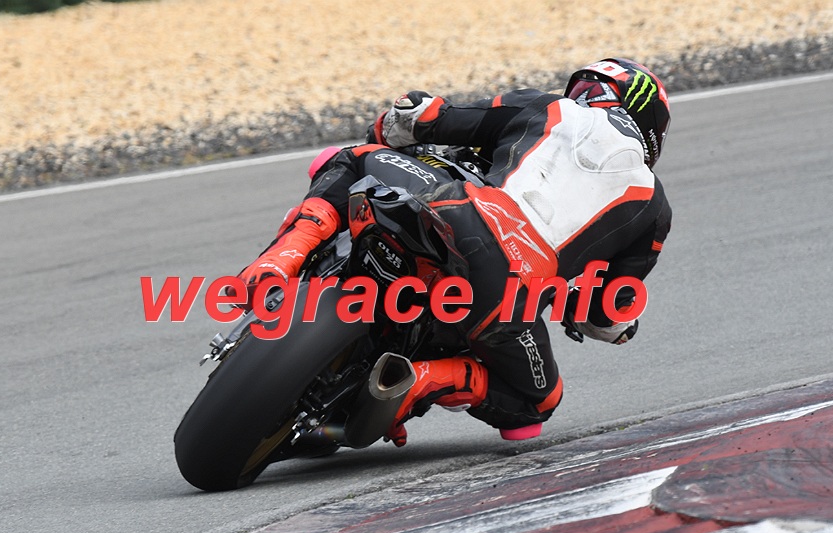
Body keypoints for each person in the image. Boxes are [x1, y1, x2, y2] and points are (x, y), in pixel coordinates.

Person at [233, 58, 672, 447]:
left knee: (353, 159)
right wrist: (595, 315)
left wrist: (387, 127)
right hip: (508, 300)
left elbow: (425, 115)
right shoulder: (654, 208)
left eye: (586, 89)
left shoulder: (546, 107)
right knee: (536, 403)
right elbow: (607, 312)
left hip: (456, 215)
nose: (579, 96)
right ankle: (414, 384)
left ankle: (276, 263)